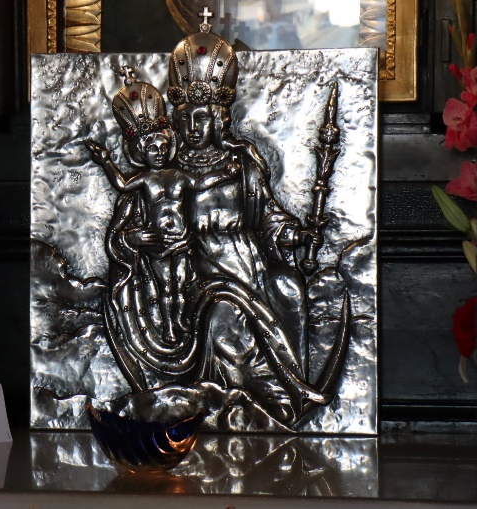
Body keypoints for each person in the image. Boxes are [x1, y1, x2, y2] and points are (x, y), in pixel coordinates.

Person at [101, 24, 344, 426]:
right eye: (185, 119)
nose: (193, 128)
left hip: (250, 265)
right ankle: (255, 401)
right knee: (224, 316)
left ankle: (293, 387)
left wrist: (295, 234)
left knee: (289, 287)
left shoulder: (242, 163)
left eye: (201, 118)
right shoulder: (165, 173)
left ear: (218, 118)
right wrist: (135, 239)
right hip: (198, 274)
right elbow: (123, 233)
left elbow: (268, 216)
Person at [85, 75, 239, 345]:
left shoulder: (177, 174)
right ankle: (167, 326)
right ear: (140, 152)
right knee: (166, 286)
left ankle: (181, 320)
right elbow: (121, 185)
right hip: (158, 243)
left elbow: (200, 183)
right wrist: (106, 160)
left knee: (181, 283)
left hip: (180, 239)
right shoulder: (143, 180)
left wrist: (225, 174)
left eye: (163, 147)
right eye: (152, 148)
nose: (158, 152)